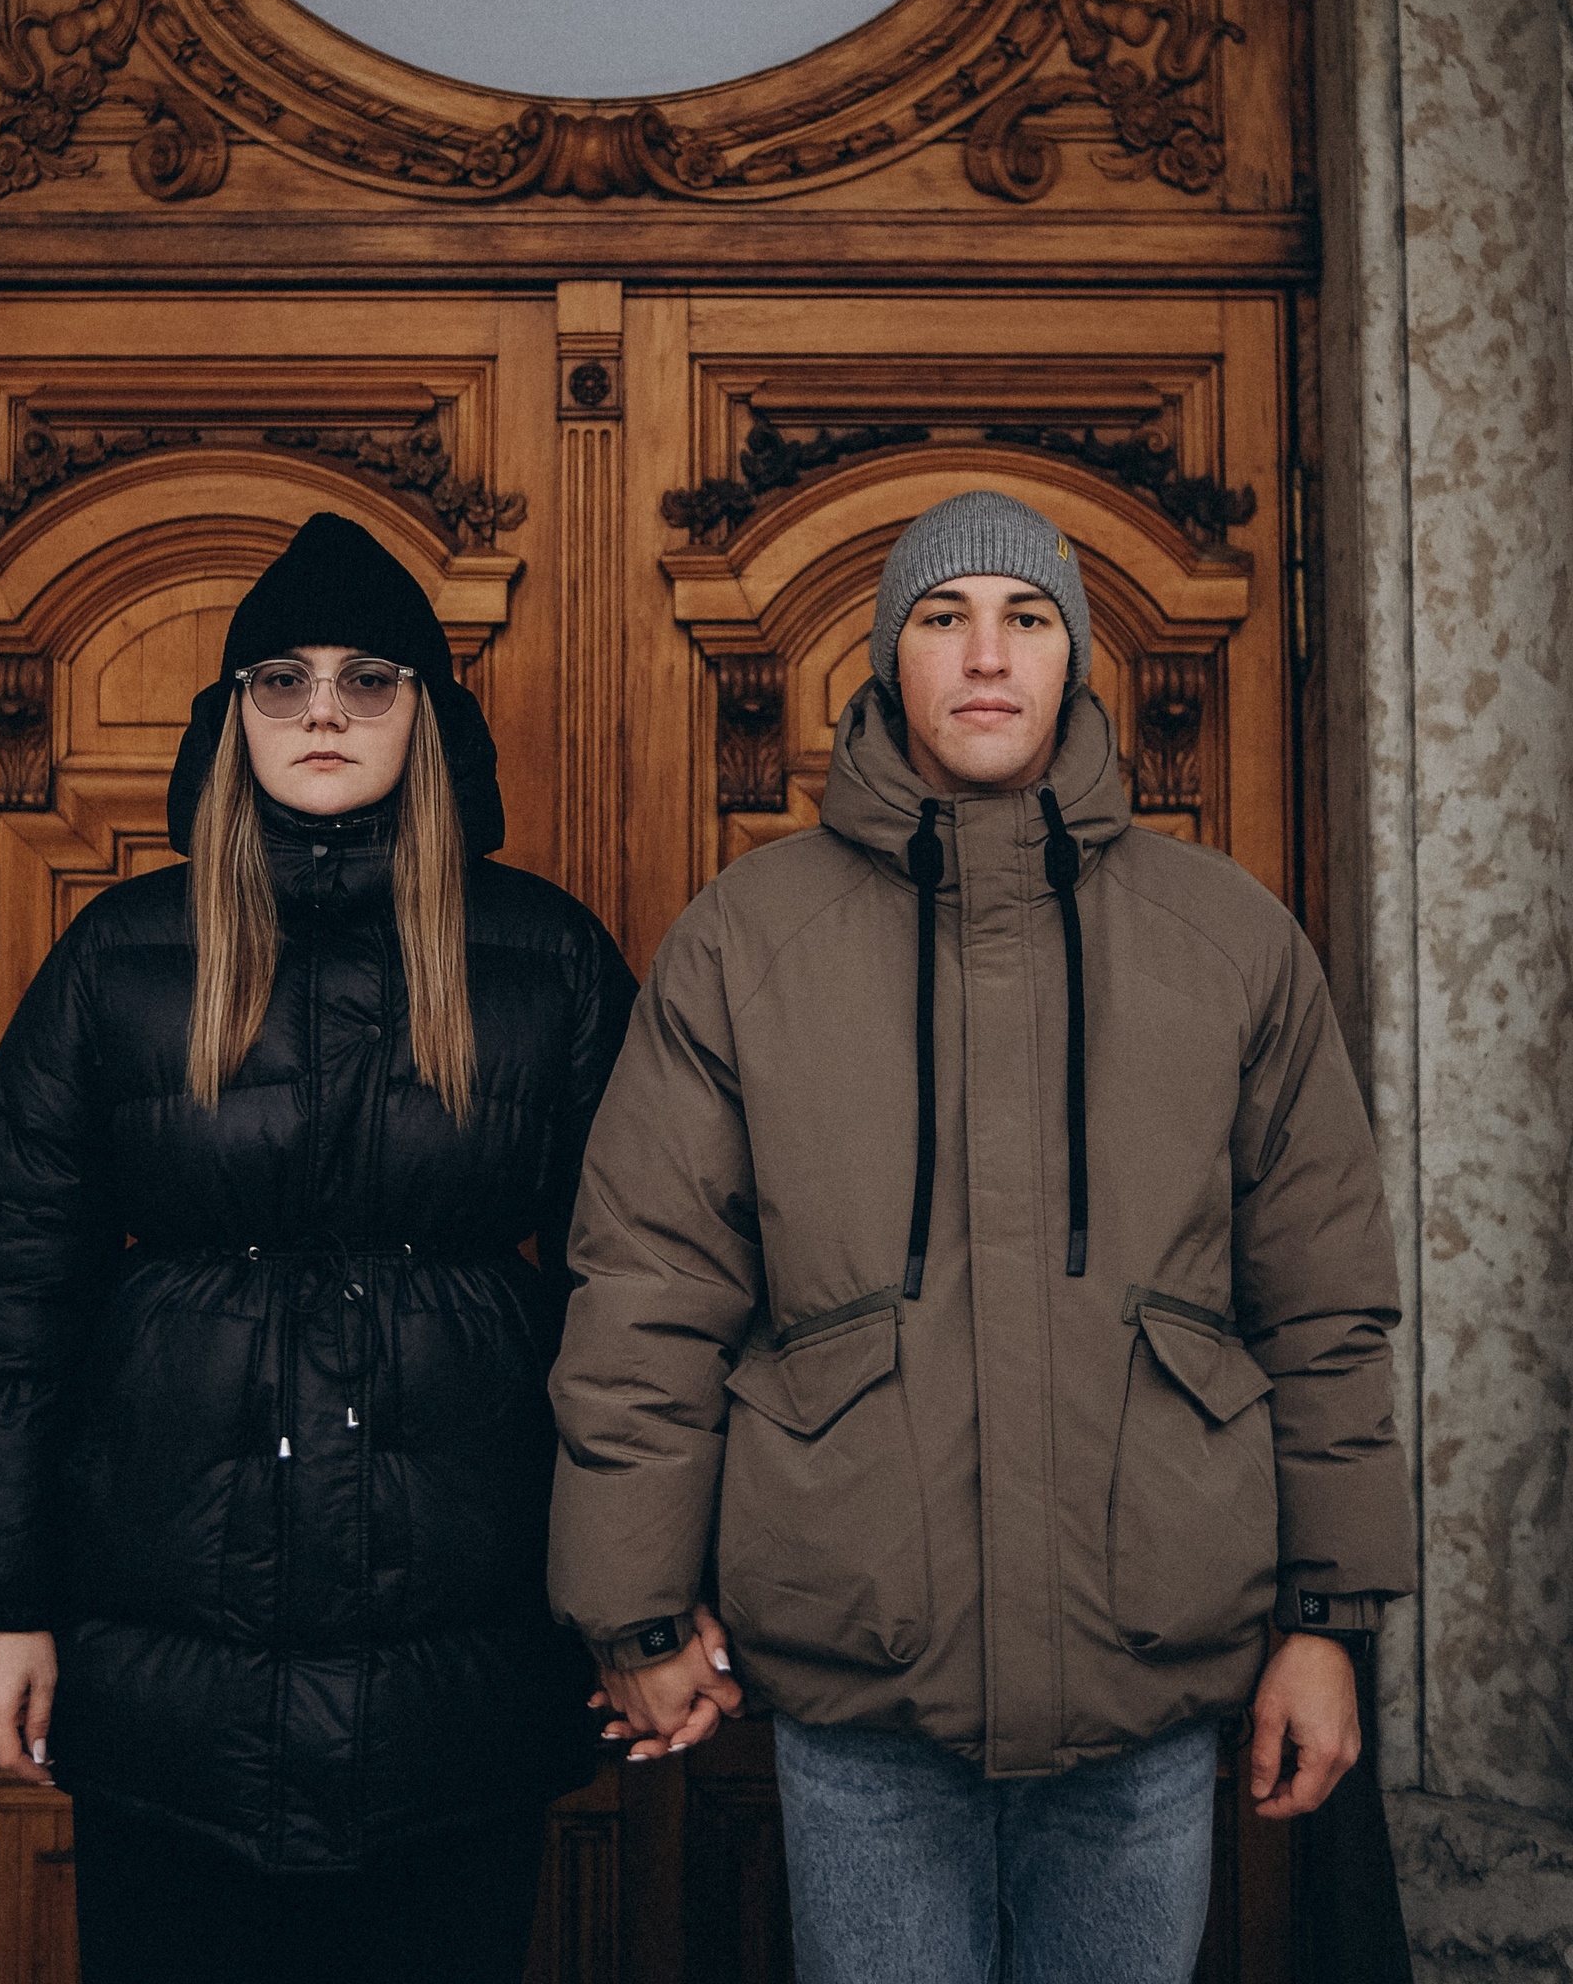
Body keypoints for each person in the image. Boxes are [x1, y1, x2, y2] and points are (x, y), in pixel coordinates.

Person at [548, 489, 1414, 1984]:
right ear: (891, 659)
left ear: (1076, 656)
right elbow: (649, 1288)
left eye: (1026, 617)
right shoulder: (747, 938)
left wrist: (1327, 1624)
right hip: (861, 1679)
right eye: (944, 618)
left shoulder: (1229, 937)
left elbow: (1324, 1302)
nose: (988, 655)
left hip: (1152, 1667)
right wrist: (634, 1612)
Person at [0, 511, 635, 1984]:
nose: (324, 711)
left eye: (369, 679)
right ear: (232, 713)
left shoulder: (548, 961)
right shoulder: (120, 958)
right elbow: (16, 1305)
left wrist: (644, 1607)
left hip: (459, 1669)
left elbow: (635, 1305)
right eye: (282, 679)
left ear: (427, 715)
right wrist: (4, 1606)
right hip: (174, 1682)